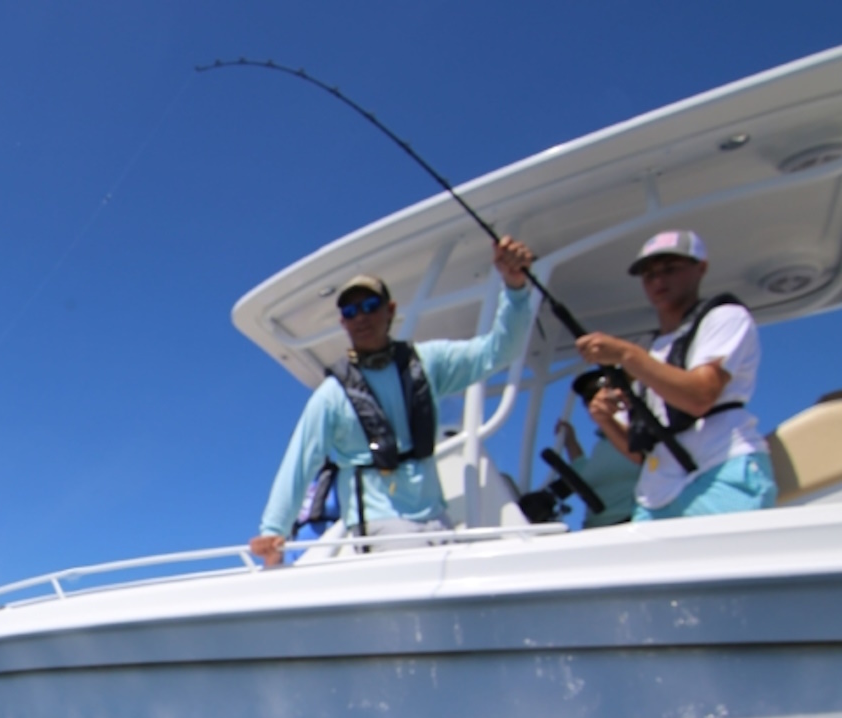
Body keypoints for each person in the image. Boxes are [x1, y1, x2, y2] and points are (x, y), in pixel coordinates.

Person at [249, 236, 536, 565]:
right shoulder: (331, 396)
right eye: (350, 311)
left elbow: (499, 352)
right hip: (381, 527)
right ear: (343, 322)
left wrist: (515, 289)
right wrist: (273, 530)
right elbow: (301, 461)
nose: (361, 317)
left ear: (390, 310)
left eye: (370, 306)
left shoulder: (429, 362)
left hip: (437, 519)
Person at [575, 230, 776, 521]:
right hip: (655, 496)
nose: (658, 280)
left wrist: (627, 355)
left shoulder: (726, 317)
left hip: (720, 473)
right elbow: (641, 453)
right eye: (649, 275)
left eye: (670, 269)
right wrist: (605, 420)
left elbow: (700, 396)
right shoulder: (649, 351)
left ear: (701, 268)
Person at [553, 368, 641, 529]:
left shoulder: (642, 432)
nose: (594, 400)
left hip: (637, 526)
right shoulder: (601, 445)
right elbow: (581, 469)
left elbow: (641, 453)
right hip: (595, 532)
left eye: (601, 389)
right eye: (588, 397)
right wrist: (570, 440)